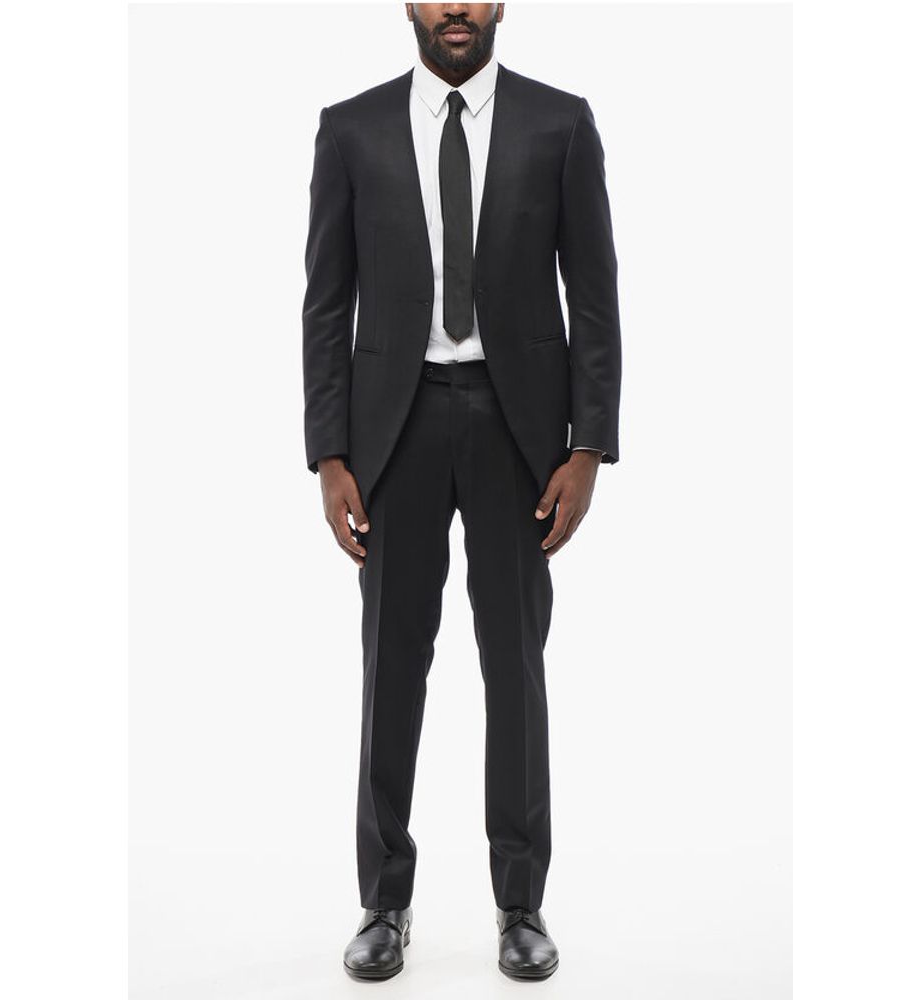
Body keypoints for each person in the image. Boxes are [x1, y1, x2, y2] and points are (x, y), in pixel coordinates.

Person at [302, 2, 621, 982]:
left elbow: (594, 294)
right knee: (390, 668)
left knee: (514, 667)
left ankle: (520, 903)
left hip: (518, 433)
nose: (455, 7)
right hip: (391, 434)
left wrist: (587, 447)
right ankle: (383, 901)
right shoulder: (351, 129)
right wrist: (330, 453)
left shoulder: (559, 124)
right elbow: (326, 302)